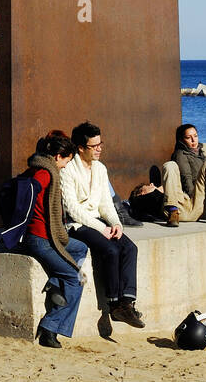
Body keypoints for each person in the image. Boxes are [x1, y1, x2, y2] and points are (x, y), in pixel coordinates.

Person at [60, 122, 145, 328]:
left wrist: (116, 223)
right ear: (81, 148)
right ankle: (114, 304)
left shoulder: (100, 168)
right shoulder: (68, 170)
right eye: (94, 145)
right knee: (110, 250)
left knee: (129, 248)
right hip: (77, 225)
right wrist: (101, 228)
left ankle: (126, 303)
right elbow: (72, 209)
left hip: (98, 221)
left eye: (101, 144)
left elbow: (106, 203)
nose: (99, 148)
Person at [18, 132, 89, 349]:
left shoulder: (36, 168)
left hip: (45, 236)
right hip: (40, 240)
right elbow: (31, 192)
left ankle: (55, 286)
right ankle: (50, 329)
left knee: (80, 248)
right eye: (66, 161)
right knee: (75, 279)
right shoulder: (45, 174)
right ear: (58, 157)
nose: (66, 166)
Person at [161, 124, 206, 227]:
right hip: (183, 205)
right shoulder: (180, 154)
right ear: (181, 140)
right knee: (169, 165)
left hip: (199, 207)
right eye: (188, 137)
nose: (193, 140)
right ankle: (172, 211)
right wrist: (193, 198)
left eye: (195, 136)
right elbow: (186, 178)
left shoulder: (201, 155)